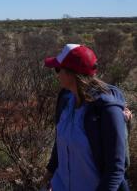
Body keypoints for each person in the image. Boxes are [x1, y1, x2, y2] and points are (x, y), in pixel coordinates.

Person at [43, 44, 131, 191]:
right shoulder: (65, 99)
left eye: (58, 69)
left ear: (72, 74)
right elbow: (60, 142)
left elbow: (115, 169)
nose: (56, 74)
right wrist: (50, 174)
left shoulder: (107, 110)